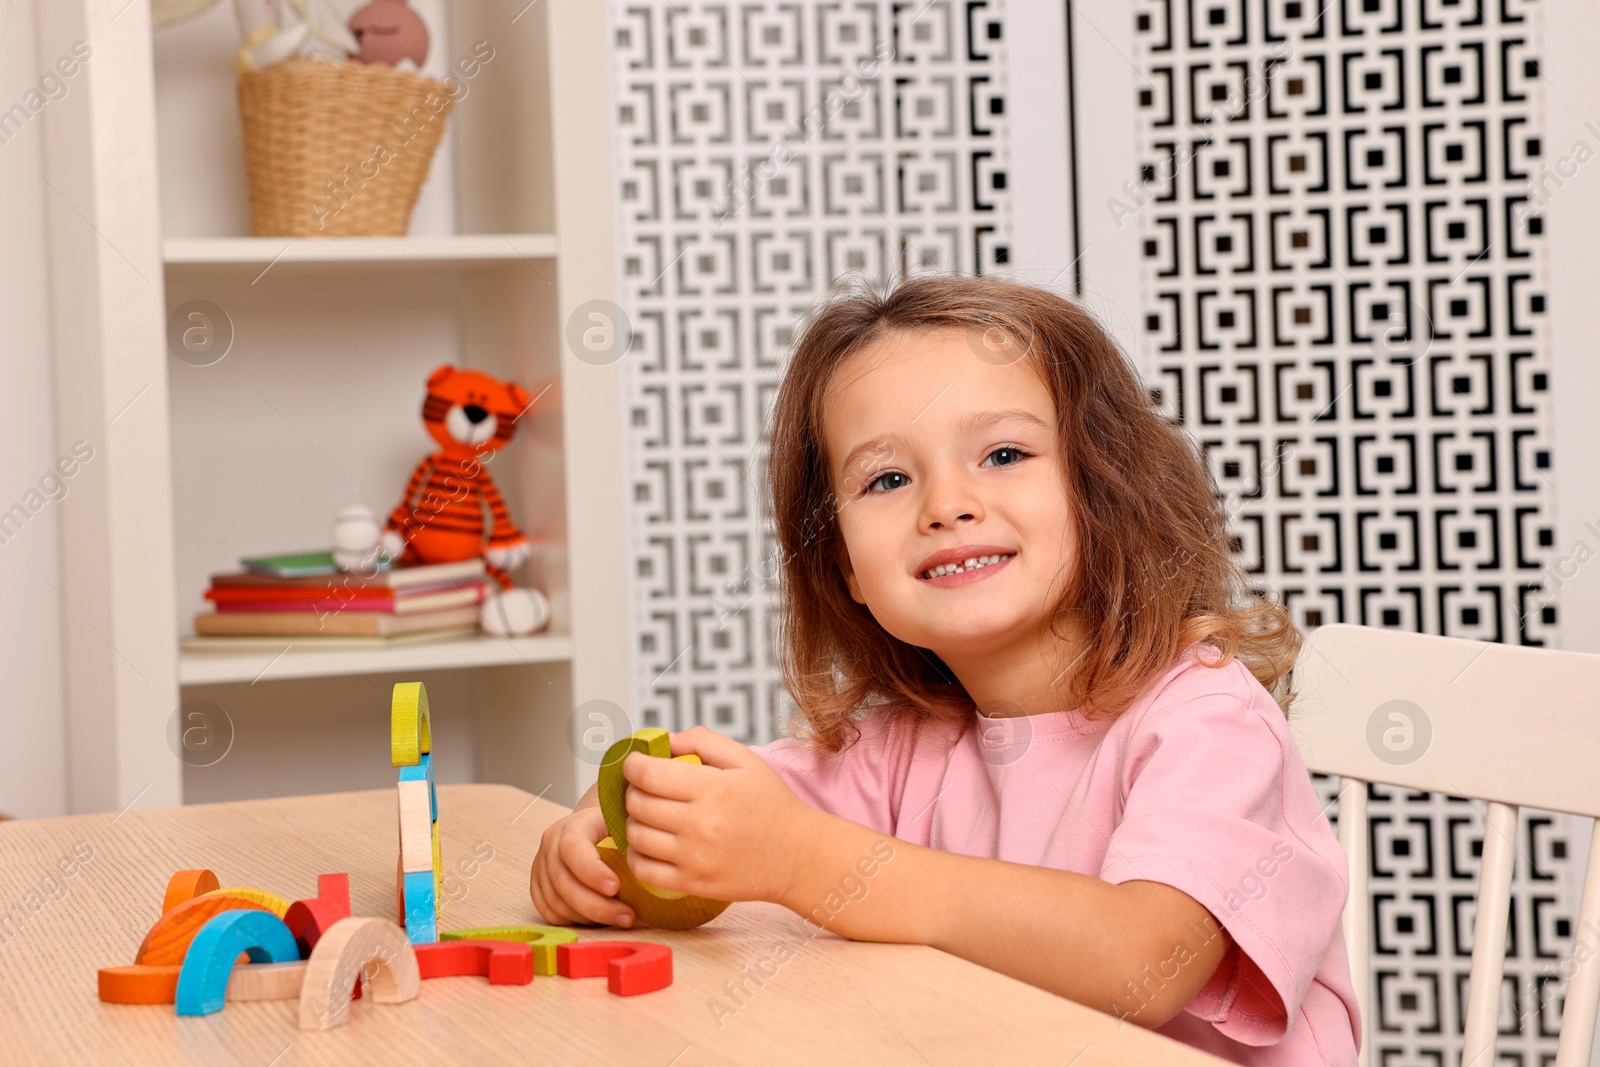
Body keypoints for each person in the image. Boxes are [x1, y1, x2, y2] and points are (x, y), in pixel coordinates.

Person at [529, 276, 1360, 1065]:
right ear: (844, 564)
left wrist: (805, 861)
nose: (946, 503)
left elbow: (1143, 959)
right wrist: (609, 841)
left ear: (1103, 488)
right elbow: (724, 813)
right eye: (887, 477)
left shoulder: (1206, 719)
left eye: (1003, 453)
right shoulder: (900, 750)